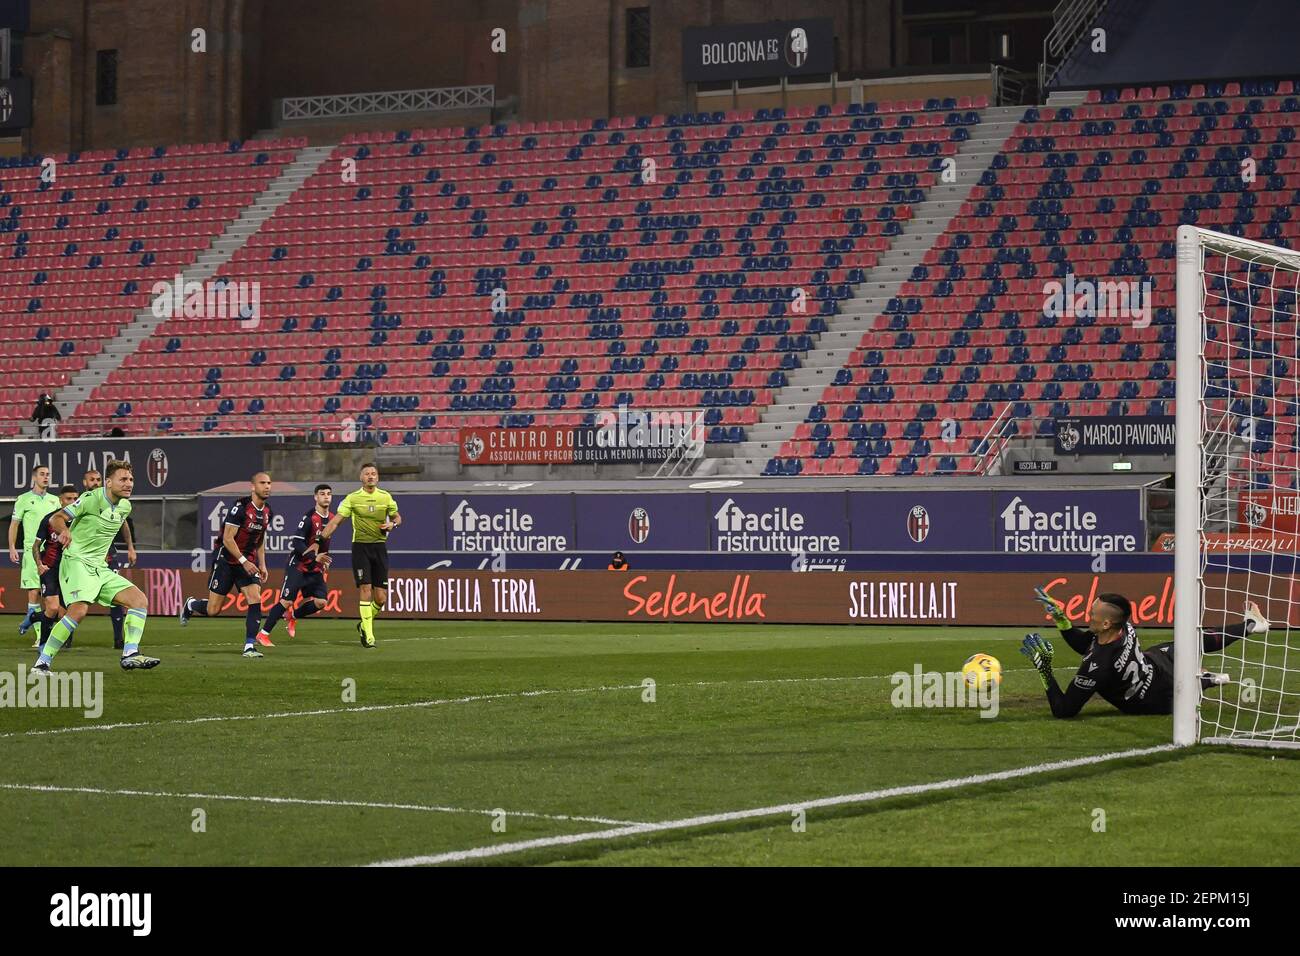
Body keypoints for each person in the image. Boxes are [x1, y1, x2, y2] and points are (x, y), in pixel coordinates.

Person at [1022, 588, 1268, 718]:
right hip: (1154, 668)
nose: (1088, 616)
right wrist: (1061, 619)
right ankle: (1247, 631)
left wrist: (1045, 671)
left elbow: (1064, 710)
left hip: (1156, 700)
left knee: (1187, 659)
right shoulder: (1124, 627)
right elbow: (1085, 643)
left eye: (1092, 613)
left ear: (1107, 624)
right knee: (1191, 643)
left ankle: (1205, 679)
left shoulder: (1097, 665)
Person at [35, 459, 157, 672]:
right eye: (123, 479)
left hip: (99, 568)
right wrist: (64, 530)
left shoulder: (125, 506)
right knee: (79, 611)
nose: (129, 483)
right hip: (76, 561)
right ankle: (42, 662)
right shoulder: (91, 498)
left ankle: (130, 653)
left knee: (139, 601)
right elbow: (57, 518)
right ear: (108, 482)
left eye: (131, 479)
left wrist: (129, 546)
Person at [178, 472, 273, 659]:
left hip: (247, 562)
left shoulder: (268, 511)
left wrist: (262, 564)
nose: (267, 486)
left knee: (255, 598)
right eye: (263, 483)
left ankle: (249, 646)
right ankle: (191, 604)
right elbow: (228, 539)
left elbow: (260, 539)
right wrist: (244, 562)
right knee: (213, 610)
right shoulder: (241, 507)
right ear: (253, 487)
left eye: (269, 483)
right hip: (227, 561)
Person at [316, 463, 400, 648]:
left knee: (381, 598)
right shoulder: (353, 499)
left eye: (373, 474)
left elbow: (397, 517)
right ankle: (369, 636)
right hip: (361, 548)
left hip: (379, 548)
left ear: (377, 478)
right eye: (367, 474)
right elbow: (336, 521)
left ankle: (363, 624)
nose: (371, 476)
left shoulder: (385, 497)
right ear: (361, 478)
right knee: (365, 588)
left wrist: (393, 525)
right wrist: (321, 538)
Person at [256, 483, 334, 645]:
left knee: (321, 602)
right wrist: (315, 556)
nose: (326, 496)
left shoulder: (332, 519)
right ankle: (263, 634)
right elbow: (297, 543)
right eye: (322, 494)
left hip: (315, 567)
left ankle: (293, 616)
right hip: (298, 564)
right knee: (286, 601)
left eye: (328, 494)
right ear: (315, 497)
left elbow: (323, 543)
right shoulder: (309, 518)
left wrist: (323, 559)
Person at [83, 469, 137, 649]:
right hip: (82, 559)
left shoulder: (117, 503)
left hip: (108, 555)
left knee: (117, 598)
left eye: (98, 479)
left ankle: (119, 639)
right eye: (92, 479)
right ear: (85, 482)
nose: (95, 482)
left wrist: (130, 547)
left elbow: (123, 524)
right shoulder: (85, 501)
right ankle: (63, 639)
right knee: (75, 604)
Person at [10, 464, 59, 638]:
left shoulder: (55, 500)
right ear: (34, 477)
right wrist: (12, 547)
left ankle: (41, 628)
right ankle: (40, 637)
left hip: (52, 552)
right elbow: (14, 524)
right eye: (42, 474)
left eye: (48, 474)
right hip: (32, 552)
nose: (46, 477)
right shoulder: (23, 499)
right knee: (33, 592)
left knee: (49, 595)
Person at [30, 485, 81, 650]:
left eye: (75, 499)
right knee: (52, 607)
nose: (72, 502)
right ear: (61, 500)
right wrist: (39, 564)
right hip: (50, 568)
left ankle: (35, 617)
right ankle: (44, 645)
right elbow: (36, 545)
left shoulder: (82, 520)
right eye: (69, 499)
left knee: (69, 611)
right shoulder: (50, 519)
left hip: (71, 570)